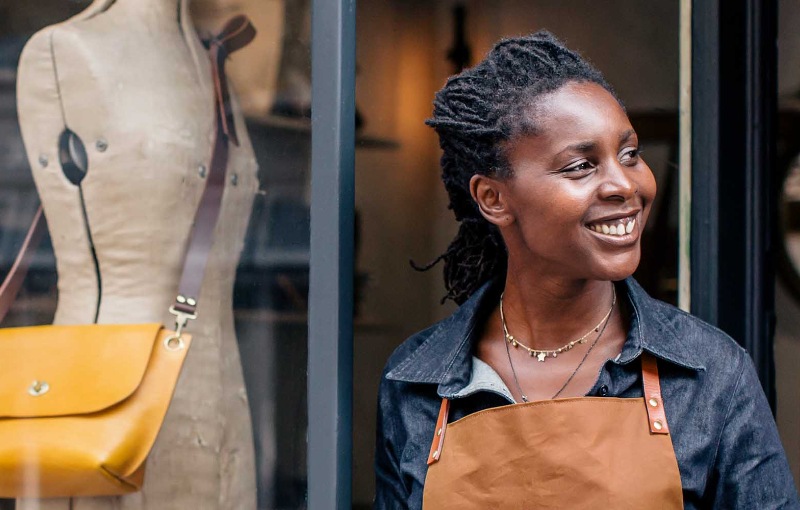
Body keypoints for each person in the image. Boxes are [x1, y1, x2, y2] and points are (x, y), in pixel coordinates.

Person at [374, 31, 800, 509]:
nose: (624, 185)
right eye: (580, 166)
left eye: (629, 154)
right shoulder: (416, 383)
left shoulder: (711, 373)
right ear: (494, 198)